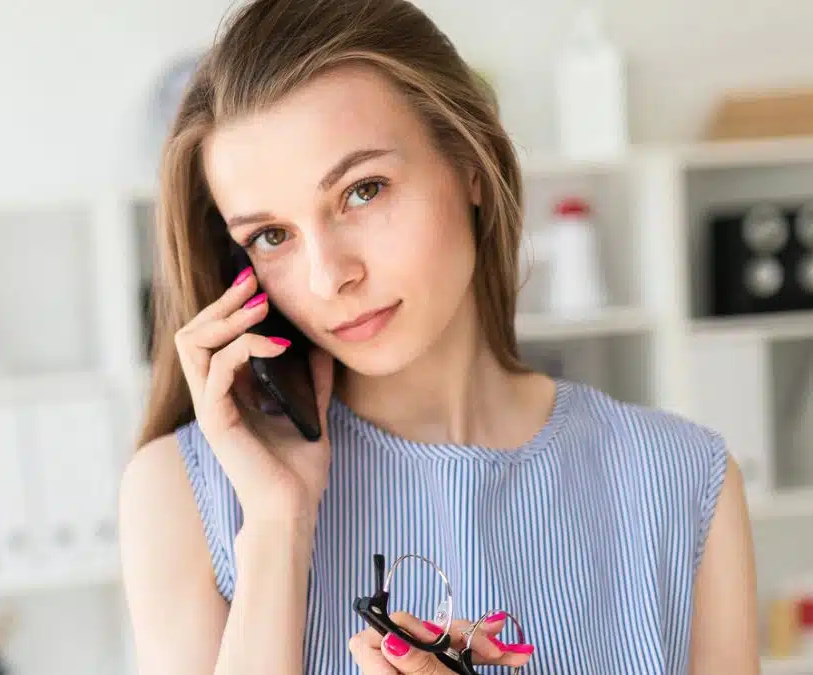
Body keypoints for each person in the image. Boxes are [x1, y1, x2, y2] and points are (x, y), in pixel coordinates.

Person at [118, 0, 760, 673]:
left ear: (470, 163)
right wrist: (278, 529)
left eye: (363, 191)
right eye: (272, 236)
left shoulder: (684, 480)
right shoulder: (185, 495)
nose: (329, 275)